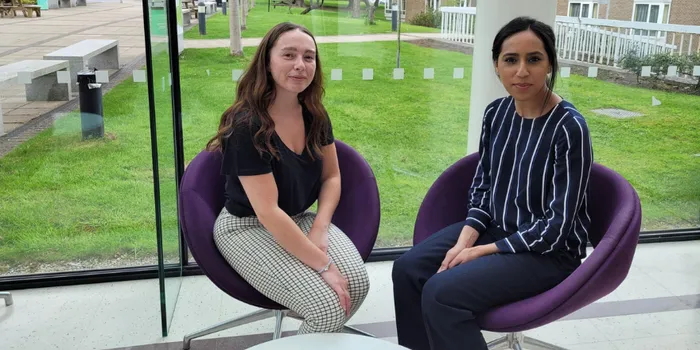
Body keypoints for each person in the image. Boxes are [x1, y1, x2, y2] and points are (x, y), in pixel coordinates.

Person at [392, 16, 593, 350]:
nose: (522, 71)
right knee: (407, 269)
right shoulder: (496, 113)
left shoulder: (569, 127)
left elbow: (557, 228)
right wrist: (463, 242)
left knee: (441, 294)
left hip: (548, 253)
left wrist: (478, 252)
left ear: (550, 65)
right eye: (510, 60)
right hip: (498, 229)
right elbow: (483, 187)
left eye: (534, 59)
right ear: (496, 66)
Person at [206, 22, 369, 334]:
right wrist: (323, 265)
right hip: (247, 227)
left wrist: (320, 229)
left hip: (298, 217)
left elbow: (332, 176)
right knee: (326, 308)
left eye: (309, 57)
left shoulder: (314, 113)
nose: (300, 65)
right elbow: (267, 211)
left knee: (357, 284)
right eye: (289, 55)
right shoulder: (247, 125)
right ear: (268, 60)